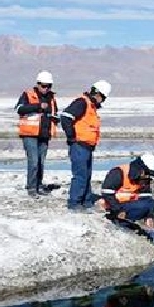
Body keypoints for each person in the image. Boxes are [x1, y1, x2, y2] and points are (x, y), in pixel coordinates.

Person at [59, 80, 112, 211]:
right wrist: (71, 137)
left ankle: (86, 201)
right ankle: (74, 203)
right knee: (80, 175)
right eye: (103, 98)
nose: (103, 101)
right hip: (79, 145)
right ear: (97, 94)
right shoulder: (82, 102)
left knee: (87, 175)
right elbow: (65, 117)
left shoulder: (91, 107)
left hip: (87, 147)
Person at [15, 70, 58, 197]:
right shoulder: (27, 95)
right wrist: (37, 106)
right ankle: (32, 188)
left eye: (49, 86)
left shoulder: (52, 98)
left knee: (41, 162)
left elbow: (53, 113)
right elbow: (19, 109)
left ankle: (39, 185)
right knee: (33, 161)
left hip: (44, 134)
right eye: (44, 86)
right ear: (38, 84)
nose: (46, 89)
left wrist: (55, 119)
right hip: (30, 133)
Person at [99, 153, 154, 229]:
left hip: (130, 205)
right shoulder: (118, 172)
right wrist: (119, 210)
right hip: (114, 205)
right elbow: (107, 194)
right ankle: (117, 217)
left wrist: (149, 216)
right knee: (144, 206)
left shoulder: (144, 178)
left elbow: (146, 198)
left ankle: (129, 218)